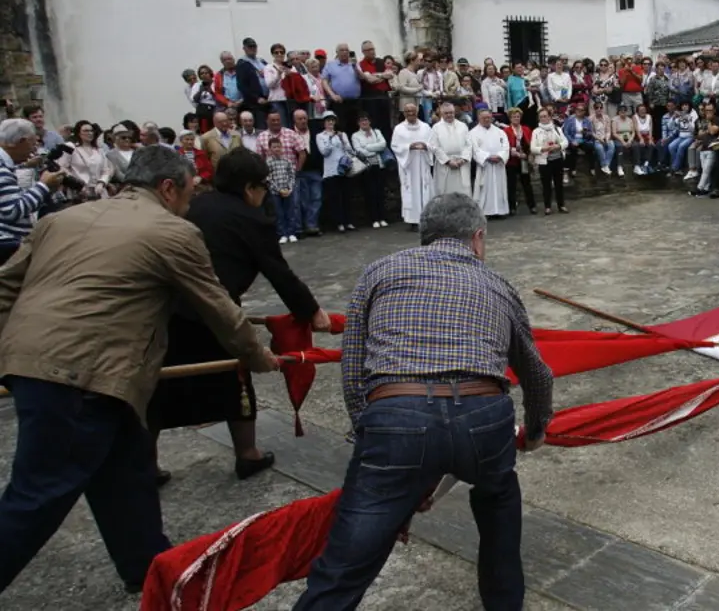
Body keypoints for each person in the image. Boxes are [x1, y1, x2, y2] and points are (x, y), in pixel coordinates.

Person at [0, 146, 276, 594]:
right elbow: (217, 307)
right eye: (188, 194)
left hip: (75, 374)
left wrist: (13, 353)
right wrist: (257, 356)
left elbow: (5, 288)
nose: (190, 204)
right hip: (80, 375)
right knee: (38, 498)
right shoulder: (173, 231)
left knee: (126, 475)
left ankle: (149, 570)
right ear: (167, 188)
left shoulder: (62, 219)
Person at [293, 193, 552, 610]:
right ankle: (504, 603)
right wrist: (537, 428)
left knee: (346, 560)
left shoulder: (379, 271)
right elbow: (537, 372)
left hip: (397, 412)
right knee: (498, 493)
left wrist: (373, 432)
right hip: (484, 417)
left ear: (424, 235)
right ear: (478, 238)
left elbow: (353, 365)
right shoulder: (498, 285)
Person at [148, 148, 322, 483]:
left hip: (166, 307)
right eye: (263, 187)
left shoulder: (194, 206)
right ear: (249, 188)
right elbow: (279, 272)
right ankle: (247, 454)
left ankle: (145, 467)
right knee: (236, 379)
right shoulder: (251, 219)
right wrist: (312, 313)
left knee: (158, 385)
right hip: (213, 311)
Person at [0, 119, 65, 265]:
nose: (34, 149)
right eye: (32, 143)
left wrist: (46, 189)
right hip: (7, 244)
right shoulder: (2, 168)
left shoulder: (7, 165)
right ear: (21, 141)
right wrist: (43, 185)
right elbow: (12, 211)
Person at [391, 102, 434, 231]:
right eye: (408, 111)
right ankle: (413, 221)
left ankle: (427, 220)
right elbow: (395, 146)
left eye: (413, 111)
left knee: (425, 190)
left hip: (423, 162)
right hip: (408, 165)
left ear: (417, 112)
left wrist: (426, 146)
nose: (411, 113)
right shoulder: (399, 129)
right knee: (411, 191)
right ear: (404, 113)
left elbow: (434, 144)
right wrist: (409, 146)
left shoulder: (426, 127)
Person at [317, 113, 356, 233]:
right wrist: (330, 138)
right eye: (328, 121)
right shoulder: (320, 136)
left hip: (344, 169)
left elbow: (350, 150)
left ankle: (348, 221)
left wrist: (341, 139)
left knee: (346, 196)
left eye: (332, 121)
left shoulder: (342, 134)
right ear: (324, 123)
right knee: (335, 198)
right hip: (331, 170)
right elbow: (324, 152)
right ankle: (339, 223)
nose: (330, 123)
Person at [350, 114, 389, 229]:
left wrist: (367, 147)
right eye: (361, 121)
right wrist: (374, 148)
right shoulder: (355, 135)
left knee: (380, 192)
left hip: (379, 165)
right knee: (370, 193)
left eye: (366, 120)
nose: (364, 122)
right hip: (366, 167)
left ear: (370, 121)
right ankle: (374, 219)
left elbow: (383, 145)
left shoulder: (376, 131)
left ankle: (382, 217)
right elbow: (359, 151)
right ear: (358, 123)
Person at [470, 109, 510, 218]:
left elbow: (506, 147)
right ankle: (485, 212)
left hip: (498, 165)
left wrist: (500, 156)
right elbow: (475, 150)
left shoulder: (500, 132)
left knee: (499, 188)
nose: (487, 120)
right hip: (485, 166)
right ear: (479, 118)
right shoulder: (473, 133)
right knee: (484, 189)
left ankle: (500, 210)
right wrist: (487, 157)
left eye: (488, 117)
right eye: (484, 118)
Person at [530, 108, 569, 215]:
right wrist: (543, 149)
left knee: (559, 184)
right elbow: (532, 148)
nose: (543, 118)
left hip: (557, 159)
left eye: (545, 116)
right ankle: (547, 207)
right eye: (541, 116)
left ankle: (561, 205)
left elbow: (565, 142)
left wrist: (558, 146)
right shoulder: (536, 131)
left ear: (550, 117)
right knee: (546, 185)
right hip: (544, 161)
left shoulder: (557, 129)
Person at [431, 102, 471, 195]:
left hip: (461, 164)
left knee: (462, 193)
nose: (449, 115)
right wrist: (448, 161)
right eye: (446, 113)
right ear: (441, 114)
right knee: (445, 192)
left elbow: (469, 144)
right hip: (445, 165)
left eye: (451, 112)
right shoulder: (436, 128)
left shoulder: (463, 126)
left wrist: (463, 159)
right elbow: (435, 146)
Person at [265, 137, 300, 243]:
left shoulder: (287, 161)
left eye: (278, 146)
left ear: (282, 147)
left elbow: (291, 175)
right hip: (275, 192)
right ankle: (283, 234)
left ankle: (291, 233)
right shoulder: (268, 162)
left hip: (288, 191)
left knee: (290, 212)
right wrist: (279, 189)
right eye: (274, 147)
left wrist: (289, 188)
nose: (277, 149)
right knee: (279, 213)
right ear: (270, 149)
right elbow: (268, 178)